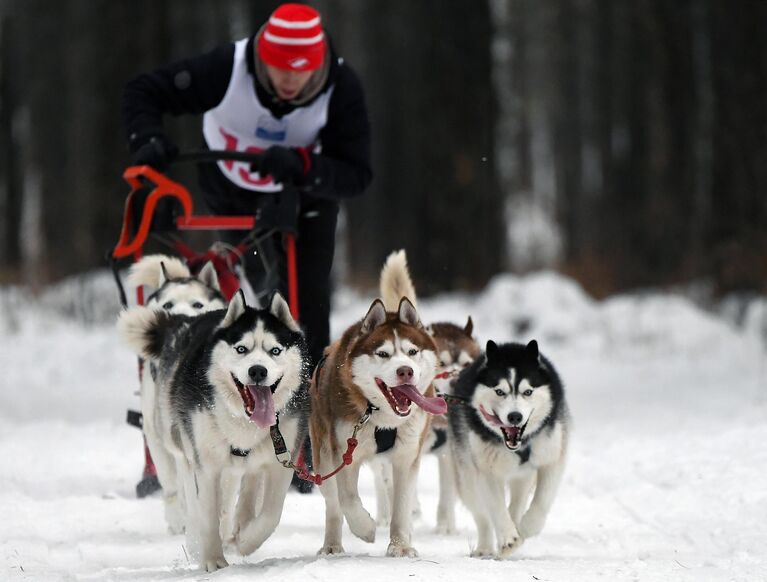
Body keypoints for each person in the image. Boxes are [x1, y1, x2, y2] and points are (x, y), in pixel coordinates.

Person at [121, 3, 372, 372]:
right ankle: (233, 378)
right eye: (279, 69)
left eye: (299, 73)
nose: (288, 81)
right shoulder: (228, 67)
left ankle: (311, 398)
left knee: (307, 305)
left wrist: (303, 165)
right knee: (256, 285)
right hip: (230, 188)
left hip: (304, 195)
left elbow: (356, 174)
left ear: (316, 66)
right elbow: (143, 92)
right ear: (263, 57)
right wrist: (147, 140)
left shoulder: (341, 86)